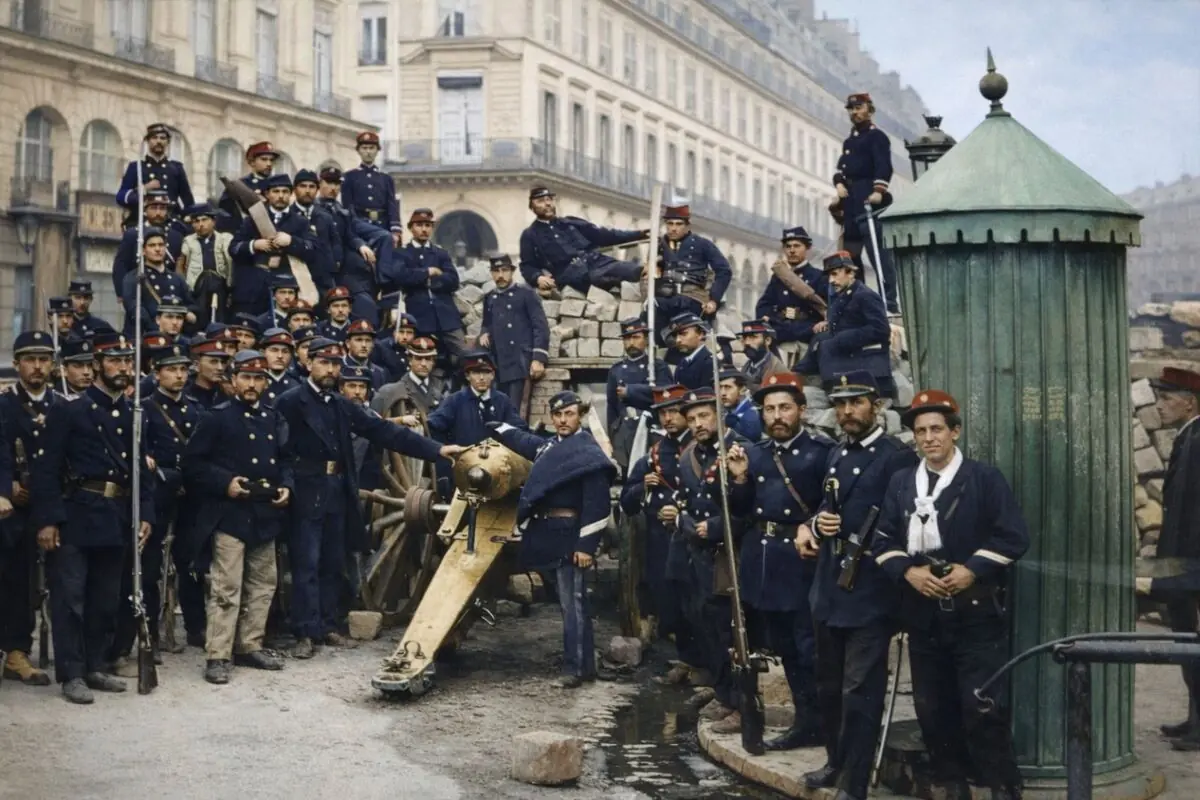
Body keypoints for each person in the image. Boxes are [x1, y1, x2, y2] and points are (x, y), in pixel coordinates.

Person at [872, 389, 1027, 799]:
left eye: (937, 428)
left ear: (954, 432)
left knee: (983, 708)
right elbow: (883, 538)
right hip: (923, 616)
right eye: (920, 431)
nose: (928, 438)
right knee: (933, 710)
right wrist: (909, 572)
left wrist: (971, 570)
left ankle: (1003, 789)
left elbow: (1013, 537)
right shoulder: (903, 483)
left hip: (975, 614)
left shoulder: (983, 478)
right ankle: (953, 787)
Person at [273, 338, 463, 658]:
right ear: (308, 364)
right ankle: (305, 632)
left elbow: (385, 432)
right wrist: (287, 486)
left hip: (338, 489)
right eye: (324, 363)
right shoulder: (291, 402)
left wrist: (437, 450)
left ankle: (329, 625)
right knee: (306, 562)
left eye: (335, 364)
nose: (330, 370)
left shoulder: (340, 404)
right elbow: (279, 452)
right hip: (306, 491)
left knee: (334, 559)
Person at [799, 369, 919, 800]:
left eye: (857, 402)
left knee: (859, 691)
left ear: (879, 406)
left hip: (870, 592)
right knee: (828, 684)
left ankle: (855, 783)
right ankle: (835, 762)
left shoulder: (896, 459)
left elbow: (904, 526)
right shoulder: (835, 454)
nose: (847, 411)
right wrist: (816, 523)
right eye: (841, 403)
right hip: (829, 588)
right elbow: (823, 507)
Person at [31, 331, 155, 704]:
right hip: (77, 514)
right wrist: (48, 520)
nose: (122, 367)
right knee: (70, 597)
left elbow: (141, 471)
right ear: (97, 366)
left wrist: (145, 512)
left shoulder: (136, 414)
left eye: (126, 360)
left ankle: (95, 665)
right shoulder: (70, 411)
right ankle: (71, 674)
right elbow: (46, 470)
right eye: (114, 360)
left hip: (117, 516)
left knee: (107, 596)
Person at [725, 372, 833, 750]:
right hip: (765, 559)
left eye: (785, 407)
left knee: (809, 647)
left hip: (802, 560)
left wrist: (813, 529)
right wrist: (738, 481)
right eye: (769, 409)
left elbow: (830, 505)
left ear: (801, 410)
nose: (777, 416)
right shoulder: (753, 453)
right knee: (784, 646)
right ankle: (806, 722)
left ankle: (823, 721)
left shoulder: (821, 453)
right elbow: (740, 512)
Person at [491, 391, 617, 688]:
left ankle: (576, 670)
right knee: (568, 603)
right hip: (549, 534)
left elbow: (597, 503)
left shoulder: (588, 453)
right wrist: (495, 425)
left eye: (569, 414)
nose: (563, 420)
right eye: (558, 415)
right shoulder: (549, 447)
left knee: (573, 603)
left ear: (580, 416)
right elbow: (523, 441)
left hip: (571, 536)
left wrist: (586, 546)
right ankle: (584, 666)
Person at [181, 350, 291, 683]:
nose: (253, 385)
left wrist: (287, 485)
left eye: (259, 378)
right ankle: (218, 654)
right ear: (233, 381)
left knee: (262, 585)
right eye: (246, 378)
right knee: (226, 588)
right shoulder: (217, 417)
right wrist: (224, 483)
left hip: (264, 513)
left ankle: (249, 645)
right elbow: (192, 465)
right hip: (229, 515)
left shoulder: (273, 418)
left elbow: (286, 459)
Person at [111, 342, 201, 665]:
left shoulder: (194, 410)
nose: (179, 376)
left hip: (187, 496)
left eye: (183, 370)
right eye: (171, 370)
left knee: (189, 562)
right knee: (148, 570)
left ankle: (194, 628)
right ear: (157, 373)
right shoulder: (143, 410)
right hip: (157, 495)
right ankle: (146, 634)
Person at [674, 387, 750, 733]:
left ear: (719, 414)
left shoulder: (741, 448)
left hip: (731, 554)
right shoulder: (688, 455)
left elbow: (752, 508)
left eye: (704, 416)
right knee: (704, 624)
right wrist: (684, 523)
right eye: (691, 419)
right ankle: (723, 692)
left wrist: (717, 527)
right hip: (697, 554)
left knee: (731, 629)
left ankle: (742, 703)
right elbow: (685, 503)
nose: (698, 424)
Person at [619, 384, 701, 677]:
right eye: (663, 413)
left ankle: (706, 666)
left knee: (699, 604)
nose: (668, 418)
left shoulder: (701, 447)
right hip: (661, 542)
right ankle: (687, 659)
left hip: (696, 539)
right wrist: (643, 486)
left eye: (673, 412)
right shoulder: (654, 454)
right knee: (669, 602)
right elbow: (627, 502)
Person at [0, 332, 61, 687]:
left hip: (51, 504)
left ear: (52, 365)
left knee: (51, 583)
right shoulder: (5, 406)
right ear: (17, 363)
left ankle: (19, 650)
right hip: (12, 508)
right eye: (29, 359)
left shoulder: (63, 406)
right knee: (12, 576)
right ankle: (14, 649)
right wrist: (6, 488)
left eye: (43, 359)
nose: (37, 367)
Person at [1150, 367, 1200, 749]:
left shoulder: (1197, 442)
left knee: (1194, 644)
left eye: (1167, 399)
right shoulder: (1189, 438)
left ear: (1190, 403)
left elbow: (1190, 513)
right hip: (1186, 566)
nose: (1160, 405)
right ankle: (1194, 718)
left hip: (1192, 566)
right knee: (1188, 643)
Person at [832, 93, 898, 315]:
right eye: (850, 109)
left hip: (869, 203)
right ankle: (856, 301)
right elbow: (842, 169)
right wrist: (839, 183)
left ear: (870, 109)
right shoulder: (849, 141)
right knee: (850, 259)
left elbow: (884, 166)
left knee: (879, 256)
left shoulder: (877, 137)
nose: (854, 112)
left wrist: (879, 190)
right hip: (851, 205)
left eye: (858, 107)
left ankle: (889, 303)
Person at [795, 251, 893, 399]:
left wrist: (843, 338)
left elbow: (881, 329)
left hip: (867, 369)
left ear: (850, 273)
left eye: (835, 274)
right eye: (829, 276)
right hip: (843, 364)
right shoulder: (841, 295)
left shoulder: (865, 295)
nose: (831, 280)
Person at [426, 351, 526, 497]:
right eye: (476, 372)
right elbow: (434, 427)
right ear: (467, 376)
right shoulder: (455, 401)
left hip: (496, 471)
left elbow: (519, 429)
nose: (481, 378)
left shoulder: (502, 401)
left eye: (486, 373)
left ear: (492, 375)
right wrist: (447, 462)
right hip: (462, 471)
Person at [519, 186, 647, 294]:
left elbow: (604, 235)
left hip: (598, 262)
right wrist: (538, 278)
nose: (547, 203)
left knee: (639, 270)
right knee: (607, 280)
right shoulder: (530, 235)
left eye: (549, 199)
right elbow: (527, 266)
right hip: (572, 275)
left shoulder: (571, 222)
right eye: (540, 201)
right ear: (532, 207)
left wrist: (639, 234)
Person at [229, 173, 319, 318]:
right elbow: (233, 248)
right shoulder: (252, 220)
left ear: (291, 194)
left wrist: (291, 241)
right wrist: (254, 245)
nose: (280, 196)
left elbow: (313, 250)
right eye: (276, 191)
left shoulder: (300, 222)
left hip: (286, 286)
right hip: (254, 285)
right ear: (267, 194)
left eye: (285, 192)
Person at [316, 165, 388, 324]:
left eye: (336, 184)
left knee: (366, 306)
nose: (333, 188)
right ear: (320, 184)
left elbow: (349, 235)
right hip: (319, 271)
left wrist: (361, 245)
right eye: (329, 183)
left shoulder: (342, 211)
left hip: (342, 270)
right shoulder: (313, 210)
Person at [480, 253, 551, 412]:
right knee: (496, 410)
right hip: (498, 363)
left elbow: (541, 327)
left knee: (515, 411)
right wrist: (484, 332)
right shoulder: (490, 298)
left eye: (505, 271)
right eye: (496, 271)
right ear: (491, 273)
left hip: (520, 362)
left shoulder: (526, 294)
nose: (500, 276)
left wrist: (538, 358)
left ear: (512, 272)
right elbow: (487, 322)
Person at [392, 209, 465, 361]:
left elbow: (453, 280)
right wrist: (428, 272)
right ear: (411, 228)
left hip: (446, 317)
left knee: (464, 354)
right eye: (419, 225)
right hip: (419, 317)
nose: (424, 229)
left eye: (427, 225)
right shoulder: (402, 253)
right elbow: (401, 277)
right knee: (421, 356)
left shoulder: (440, 253)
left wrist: (428, 281)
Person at [605, 317, 673, 472]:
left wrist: (632, 391)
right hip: (624, 432)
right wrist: (613, 434)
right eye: (627, 338)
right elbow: (612, 406)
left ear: (646, 339)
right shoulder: (616, 370)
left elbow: (665, 394)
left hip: (650, 429)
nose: (631, 343)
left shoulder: (657, 366)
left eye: (636, 337)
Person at [754, 226, 829, 351]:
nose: (792, 250)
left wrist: (823, 323)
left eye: (797, 246)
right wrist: (768, 319)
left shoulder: (819, 276)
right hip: (781, 334)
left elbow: (829, 306)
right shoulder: (778, 277)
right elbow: (763, 305)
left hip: (808, 334)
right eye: (788, 246)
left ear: (807, 248)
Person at [656, 204, 732, 325]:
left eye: (678, 224)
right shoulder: (659, 245)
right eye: (670, 224)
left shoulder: (702, 244)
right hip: (664, 299)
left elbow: (724, 270)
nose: (673, 228)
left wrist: (713, 300)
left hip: (692, 299)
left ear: (687, 226)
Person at [121, 226, 195, 337]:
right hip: (146, 337)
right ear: (143, 250)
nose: (157, 249)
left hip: (175, 335)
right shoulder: (134, 278)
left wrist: (187, 313)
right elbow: (135, 310)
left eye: (161, 245)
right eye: (152, 245)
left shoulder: (177, 279)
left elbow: (190, 305)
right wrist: (158, 329)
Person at [116, 123, 194, 223]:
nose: (158, 141)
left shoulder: (176, 168)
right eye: (154, 137)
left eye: (163, 138)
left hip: (170, 222)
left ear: (168, 142)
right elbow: (121, 197)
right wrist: (144, 189)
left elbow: (188, 200)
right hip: (141, 222)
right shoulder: (136, 167)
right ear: (148, 141)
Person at [111, 189, 182, 296]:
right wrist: (122, 295)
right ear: (145, 210)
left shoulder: (176, 237)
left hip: (168, 294)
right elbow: (121, 266)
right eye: (153, 208)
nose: (158, 213)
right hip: (139, 291)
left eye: (162, 208)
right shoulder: (134, 235)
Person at [341, 132, 402, 247]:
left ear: (377, 150)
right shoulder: (350, 177)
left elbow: (391, 205)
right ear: (358, 151)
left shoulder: (386, 178)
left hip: (382, 225)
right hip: (360, 226)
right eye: (364, 148)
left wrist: (395, 230)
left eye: (372, 148)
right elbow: (348, 206)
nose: (368, 152)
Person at [179, 202, 234, 325]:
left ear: (213, 221)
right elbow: (180, 266)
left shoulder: (224, 239)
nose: (201, 225)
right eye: (196, 221)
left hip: (221, 288)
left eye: (204, 220)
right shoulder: (189, 241)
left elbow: (230, 264)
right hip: (197, 289)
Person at [371, 336, 446, 423]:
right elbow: (374, 425)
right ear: (410, 360)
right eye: (418, 358)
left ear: (433, 362)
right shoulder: (389, 392)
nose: (423, 364)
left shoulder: (438, 395)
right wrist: (399, 420)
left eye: (428, 359)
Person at [290, 169, 337, 296]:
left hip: (323, 280)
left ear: (317, 190)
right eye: (303, 186)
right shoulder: (288, 215)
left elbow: (334, 245)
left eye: (312, 187)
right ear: (294, 189)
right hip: (295, 279)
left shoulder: (325, 217)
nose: (307, 190)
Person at [217, 141, 277, 233]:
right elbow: (225, 210)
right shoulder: (240, 184)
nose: (269, 164)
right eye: (264, 159)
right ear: (252, 162)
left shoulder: (277, 184)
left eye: (271, 160)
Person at [371, 303, 416, 383]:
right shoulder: (382, 348)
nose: (405, 336)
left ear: (414, 335)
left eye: (409, 333)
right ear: (394, 332)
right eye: (401, 332)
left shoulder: (416, 350)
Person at [185, 336, 233, 411]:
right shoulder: (186, 395)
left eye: (223, 362)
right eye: (213, 362)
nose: (220, 368)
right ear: (197, 365)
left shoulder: (228, 394)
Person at [739, 320, 788, 393]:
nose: (747, 342)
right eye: (745, 337)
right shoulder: (748, 366)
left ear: (767, 340)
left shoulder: (778, 371)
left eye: (753, 337)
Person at [669, 313, 716, 390]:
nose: (678, 340)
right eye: (675, 336)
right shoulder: (682, 364)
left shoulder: (710, 363)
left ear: (701, 334)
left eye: (684, 334)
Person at [343, 318, 388, 392]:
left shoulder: (379, 373)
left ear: (373, 344)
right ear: (348, 343)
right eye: (359, 340)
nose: (364, 345)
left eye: (368, 340)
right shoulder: (340, 367)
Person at [260, 327, 301, 406]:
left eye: (285, 351)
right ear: (262, 353)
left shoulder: (297, 385)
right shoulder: (255, 382)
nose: (280, 356)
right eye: (274, 350)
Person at [719, 368, 762, 441]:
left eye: (728, 387)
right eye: (720, 387)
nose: (722, 393)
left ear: (742, 389)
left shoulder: (751, 414)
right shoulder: (728, 414)